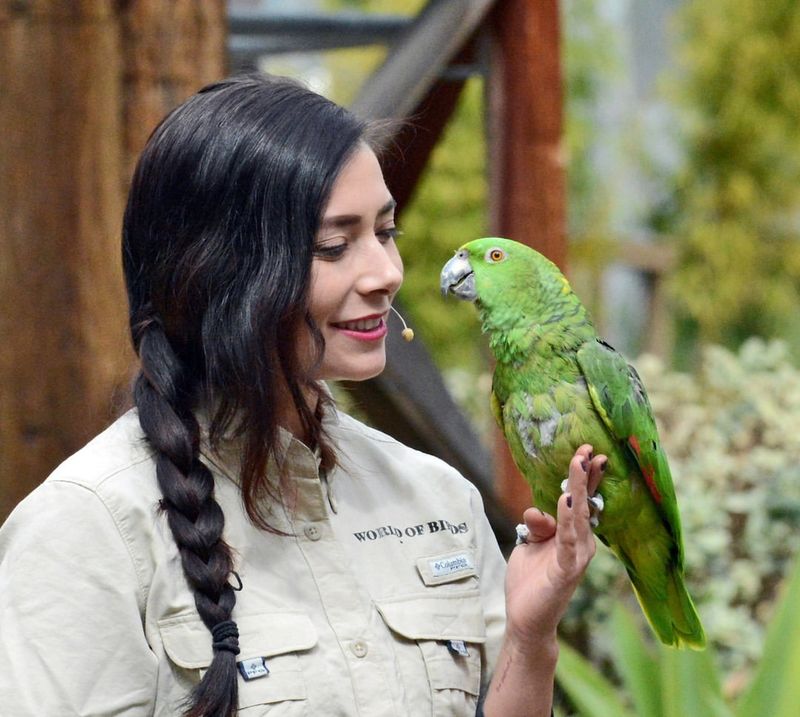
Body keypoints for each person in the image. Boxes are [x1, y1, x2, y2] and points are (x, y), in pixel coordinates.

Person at [0, 73, 605, 716]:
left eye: (386, 232)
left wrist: (530, 639)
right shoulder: (85, 529)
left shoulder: (437, 497)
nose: (386, 273)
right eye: (334, 246)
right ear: (219, 271)